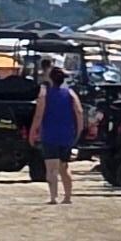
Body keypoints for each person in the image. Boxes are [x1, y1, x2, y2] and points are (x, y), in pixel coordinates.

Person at [32, 61, 84, 205]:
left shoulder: (45, 94)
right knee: (64, 167)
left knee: (51, 168)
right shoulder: (70, 93)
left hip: (49, 134)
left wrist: (33, 132)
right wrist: (79, 131)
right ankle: (67, 196)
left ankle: (53, 197)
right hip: (67, 134)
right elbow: (79, 112)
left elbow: (38, 115)